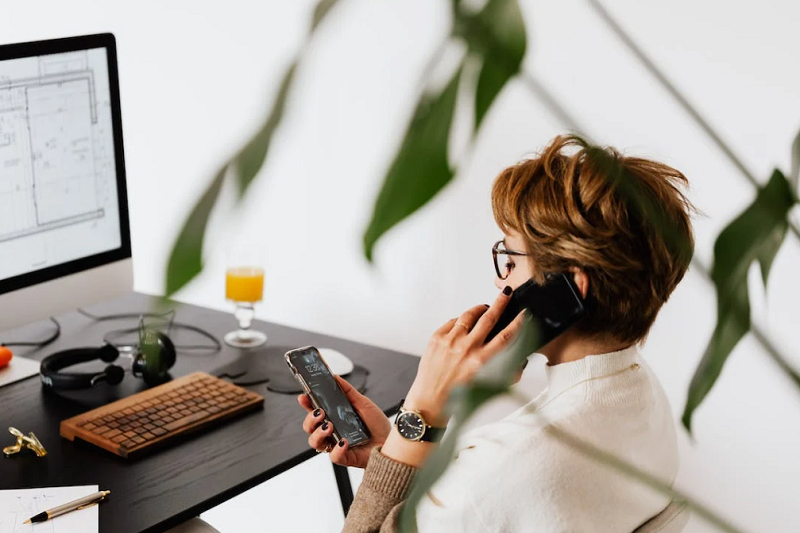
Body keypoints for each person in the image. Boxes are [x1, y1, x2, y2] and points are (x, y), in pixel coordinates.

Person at [298, 135, 695, 532]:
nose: (499, 276)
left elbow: (484, 497)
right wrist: (396, 450)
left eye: (509, 257)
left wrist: (421, 409)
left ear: (569, 286)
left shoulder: (499, 473)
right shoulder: (643, 398)